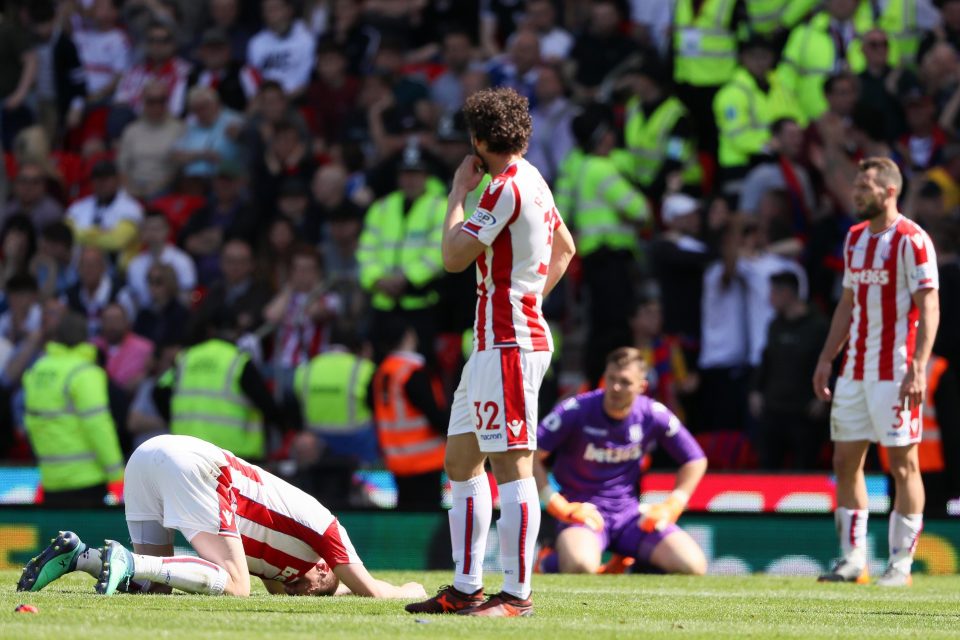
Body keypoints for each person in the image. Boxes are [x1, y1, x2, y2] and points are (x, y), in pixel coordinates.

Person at [405, 87, 576, 617]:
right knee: (460, 460)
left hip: (509, 344)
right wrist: (529, 297)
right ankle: (464, 586)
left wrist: (457, 191)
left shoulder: (503, 188)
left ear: (478, 140)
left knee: (512, 466)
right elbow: (566, 249)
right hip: (492, 344)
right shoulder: (536, 181)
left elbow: (454, 257)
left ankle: (517, 596)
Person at [17, 434, 427, 599]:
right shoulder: (328, 531)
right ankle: (128, 558)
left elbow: (315, 590)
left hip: (146, 456)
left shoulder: (283, 571)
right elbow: (368, 591)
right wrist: (410, 590)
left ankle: (80, 555)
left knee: (148, 590)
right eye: (318, 585)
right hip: (199, 466)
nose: (305, 591)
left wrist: (314, 589)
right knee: (236, 586)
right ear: (324, 567)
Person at [812, 157, 940, 587]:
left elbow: (929, 307)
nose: (856, 192)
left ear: (889, 191)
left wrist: (918, 368)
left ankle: (900, 565)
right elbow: (848, 304)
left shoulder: (913, 240)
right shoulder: (853, 238)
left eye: (865, 185)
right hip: (854, 372)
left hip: (897, 369)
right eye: (856, 185)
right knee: (846, 461)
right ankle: (852, 560)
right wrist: (828, 357)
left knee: (903, 465)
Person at [533, 347, 708, 576]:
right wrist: (556, 503)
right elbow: (531, 454)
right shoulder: (576, 409)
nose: (615, 388)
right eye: (611, 379)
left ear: (641, 387)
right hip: (583, 513)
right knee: (581, 566)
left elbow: (695, 459)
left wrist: (673, 504)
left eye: (624, 382)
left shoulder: (652, 413)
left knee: (692, 566)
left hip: (630, 516)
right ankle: (549, 562)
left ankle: (632, 562)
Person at [22, 311, 124, 508]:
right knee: (89, 539)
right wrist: (117, 475)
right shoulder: (85, 372)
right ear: (87, 338)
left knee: (56, 539)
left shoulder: (37, 370)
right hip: (87, 481)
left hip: (50, 481)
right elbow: (99, 427)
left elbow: (31, 423)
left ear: (57, 337)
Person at [154, 315, 284, 462]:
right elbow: (266, 404)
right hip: (233, 456)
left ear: (211, 330)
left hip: (187, 453)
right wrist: (284, 427)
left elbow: (159, 391)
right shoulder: (238, 360)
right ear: (237, 331)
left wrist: (174, 420)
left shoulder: (186, 357)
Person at [750, 271, 829, 469]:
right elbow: (766, 360)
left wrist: (823, 398)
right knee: (768, 465)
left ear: (787, 293)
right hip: (774, 408)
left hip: (805, 411)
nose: (770, 298)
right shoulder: (775, 325)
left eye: (773, 293)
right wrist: (756, 390)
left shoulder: (819, 326)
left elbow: (831, 364)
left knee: (804, 467)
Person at [372, 320, 448, 511]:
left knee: (405, 517)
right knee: (426, 520)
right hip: (425, 460)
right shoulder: (412, 372)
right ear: (407, 336)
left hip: (396, 459)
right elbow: (434, 414)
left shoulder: (382, 372)